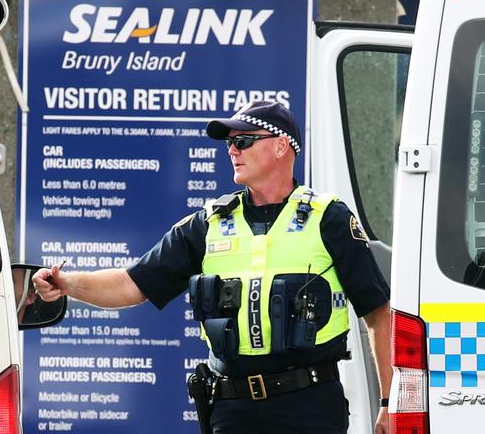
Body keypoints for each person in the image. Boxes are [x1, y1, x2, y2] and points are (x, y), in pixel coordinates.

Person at [33, 100, 391, 434]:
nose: (233, 150)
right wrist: (68, 284)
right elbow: (132, 283)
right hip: (231, 409)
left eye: (245, 141)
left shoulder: (328, 218)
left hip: (310, 407)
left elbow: (378, 312)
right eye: (230, 144)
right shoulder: (207, 224)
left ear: (281, 146)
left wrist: (390, 402)